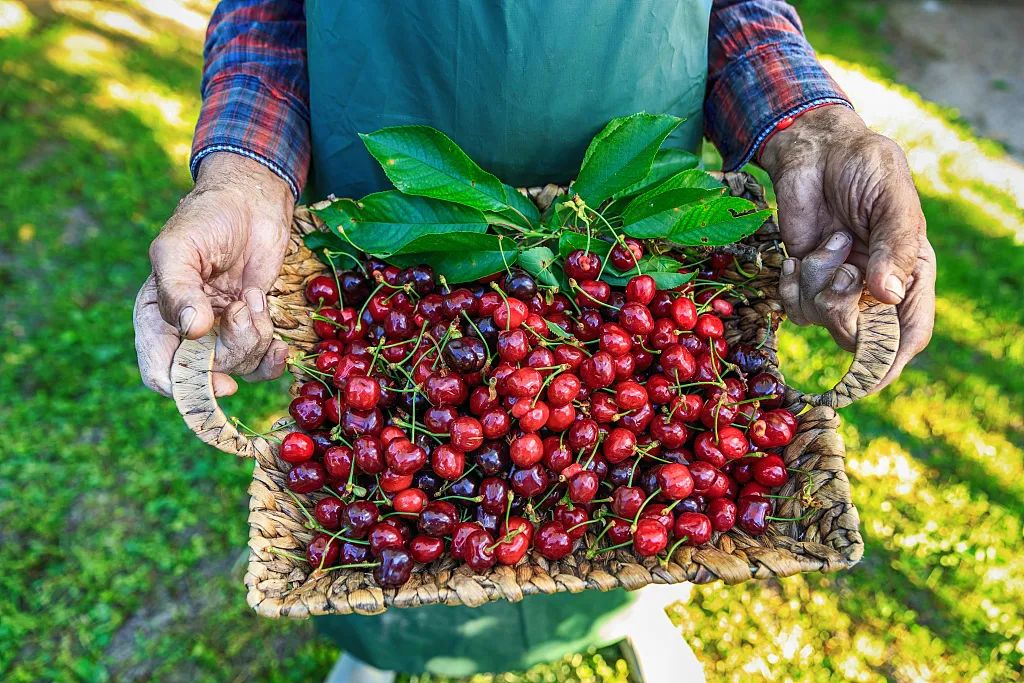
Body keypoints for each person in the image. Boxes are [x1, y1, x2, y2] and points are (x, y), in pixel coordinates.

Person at [134, 2, 936, 681]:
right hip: (406, 214)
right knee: (414, 498)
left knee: (621, 500)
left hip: (622, 208)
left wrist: (813, 130)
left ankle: (631, 604)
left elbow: (739, 6)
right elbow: (266, 12)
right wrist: (240, 174)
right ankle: (384, 643)